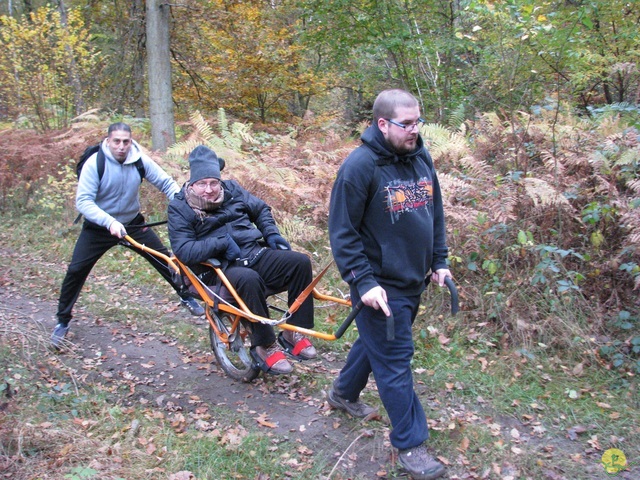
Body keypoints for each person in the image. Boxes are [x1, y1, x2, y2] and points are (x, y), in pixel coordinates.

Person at [327, 89, 451, 480]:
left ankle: (343, 393)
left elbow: (434, 212)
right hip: (379, 286)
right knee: (395, 361)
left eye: (419, 122)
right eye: (407, 124)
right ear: (383, 124)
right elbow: (343, 233)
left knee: (376, 344)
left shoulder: (419, 156)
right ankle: (410, 444)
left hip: (413, 279)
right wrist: (363, 282)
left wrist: (440, 260)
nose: (415, 130)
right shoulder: (360, 167)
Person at [52, 122, 204, 348]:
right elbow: (83, 201)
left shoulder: (139, 159)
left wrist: (183, 204)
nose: (121, 146)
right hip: (99, 228)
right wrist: (109, 222)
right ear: (108, 141)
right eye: (117, 141)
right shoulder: (96, 163)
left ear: (131, 141)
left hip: (132, 224)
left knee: (165, 259)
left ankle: (186, 295)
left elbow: (165, 182)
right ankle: (62, 321)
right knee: (76, 270)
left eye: (126, 141)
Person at [167, 145, 316, 375]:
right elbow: (184, 250)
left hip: (252, 252)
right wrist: (222, 243)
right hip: (219, 268)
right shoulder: (180, 207)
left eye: (214, 183)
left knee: (300, 262)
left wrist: (272, 233)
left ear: (220, 180)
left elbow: (260, 210)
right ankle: (265, 345)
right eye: (202, 184)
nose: (209, 190)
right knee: (249, 279)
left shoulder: (232, 189)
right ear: (192, 183)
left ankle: (293, 331)